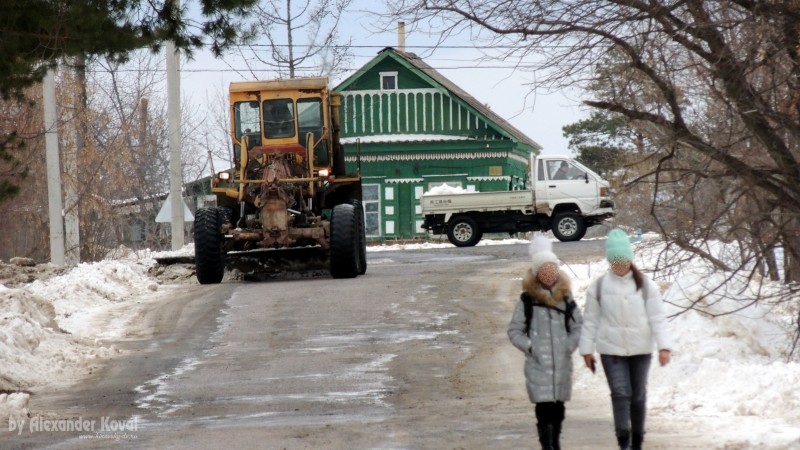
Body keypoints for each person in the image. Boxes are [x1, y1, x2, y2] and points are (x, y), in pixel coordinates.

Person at [579, 229, 673, 450]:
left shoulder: (645, 286)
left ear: (630, 260)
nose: (619, 265)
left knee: (638, 396)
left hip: (640, 349)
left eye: (623, 260)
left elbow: (657, 317)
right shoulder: (599, 286)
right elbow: (590, 320)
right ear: (610, 261)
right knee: (621, 393)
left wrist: (664, 347)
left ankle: (637, 440)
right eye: (615, 260)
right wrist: (586, 350)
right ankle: (624, 441)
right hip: (611, 350)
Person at [508, 235, 582, 450]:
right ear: (538, 274)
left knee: (558, 410)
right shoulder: (527, 300)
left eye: (552, 270)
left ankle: (555, 443)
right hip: (538, 365)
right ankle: (547, 446)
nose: (549, 275)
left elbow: (578, 326)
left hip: (561, 364)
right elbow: (515, 330)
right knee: (544, 410)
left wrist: (569, 345)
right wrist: (530, 346)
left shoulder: (566, 299)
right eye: (545, 271)